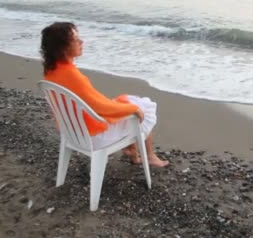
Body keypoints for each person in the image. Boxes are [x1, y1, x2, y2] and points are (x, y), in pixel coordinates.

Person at [40, 22, 169, 167]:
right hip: (93, 136)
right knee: (144, 108)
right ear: (62, 48)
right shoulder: (71, 75)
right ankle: (149, 155)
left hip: (73, 132)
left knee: (129, 100)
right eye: (75, 40)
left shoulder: (51, 71)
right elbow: (98, 107)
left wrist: (121, 105)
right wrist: (132, 109)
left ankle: (132, 150)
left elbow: (90, 100)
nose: (81, 42)